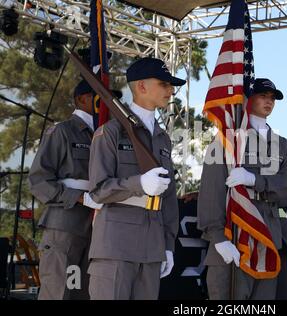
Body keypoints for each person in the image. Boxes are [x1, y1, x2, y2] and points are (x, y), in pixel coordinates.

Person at [87, 57, 184, 300]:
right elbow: (98, 190)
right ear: (141, 86)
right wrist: (138, 184)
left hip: (152, 247)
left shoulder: (162, 139)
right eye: (164, 84)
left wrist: (168, 246)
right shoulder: (110, 132)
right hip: (116, 246)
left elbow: (169, 198)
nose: (171, 91)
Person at [197, 78, 287, 300]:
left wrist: (257, 181)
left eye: (272, 98)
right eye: (263, 96)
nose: (269, 102)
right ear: (247, 99)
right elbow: (211, 191)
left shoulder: (281, 144)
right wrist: (218, 238)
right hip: (233, 233)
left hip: (268, 237)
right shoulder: (227, 140)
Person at [29, 80, 106, 299]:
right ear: (81, 99)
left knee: (84, 292)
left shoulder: (104, 135)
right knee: (59, 290)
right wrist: (80, 197)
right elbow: (38, 180)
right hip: (65, 223)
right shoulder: (62, 131)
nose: (104, 103)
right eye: (97, 97)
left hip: (97, 224)